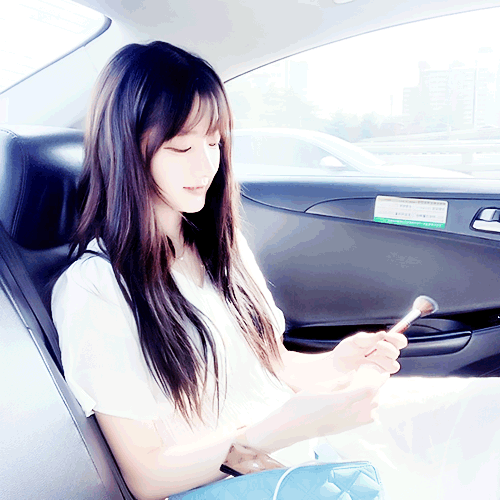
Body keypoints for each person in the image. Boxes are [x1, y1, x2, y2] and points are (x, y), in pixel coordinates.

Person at [52, 41, 500, 500]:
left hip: (299, 450)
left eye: (214, 142)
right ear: (125, 150)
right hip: (240, 482)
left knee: (485, 414)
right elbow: (146, 477)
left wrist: (337, 364)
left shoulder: (218, 247)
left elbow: (266, 367)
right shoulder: (96, 289)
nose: (207, 165)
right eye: (181, 146)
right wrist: (276, 431)